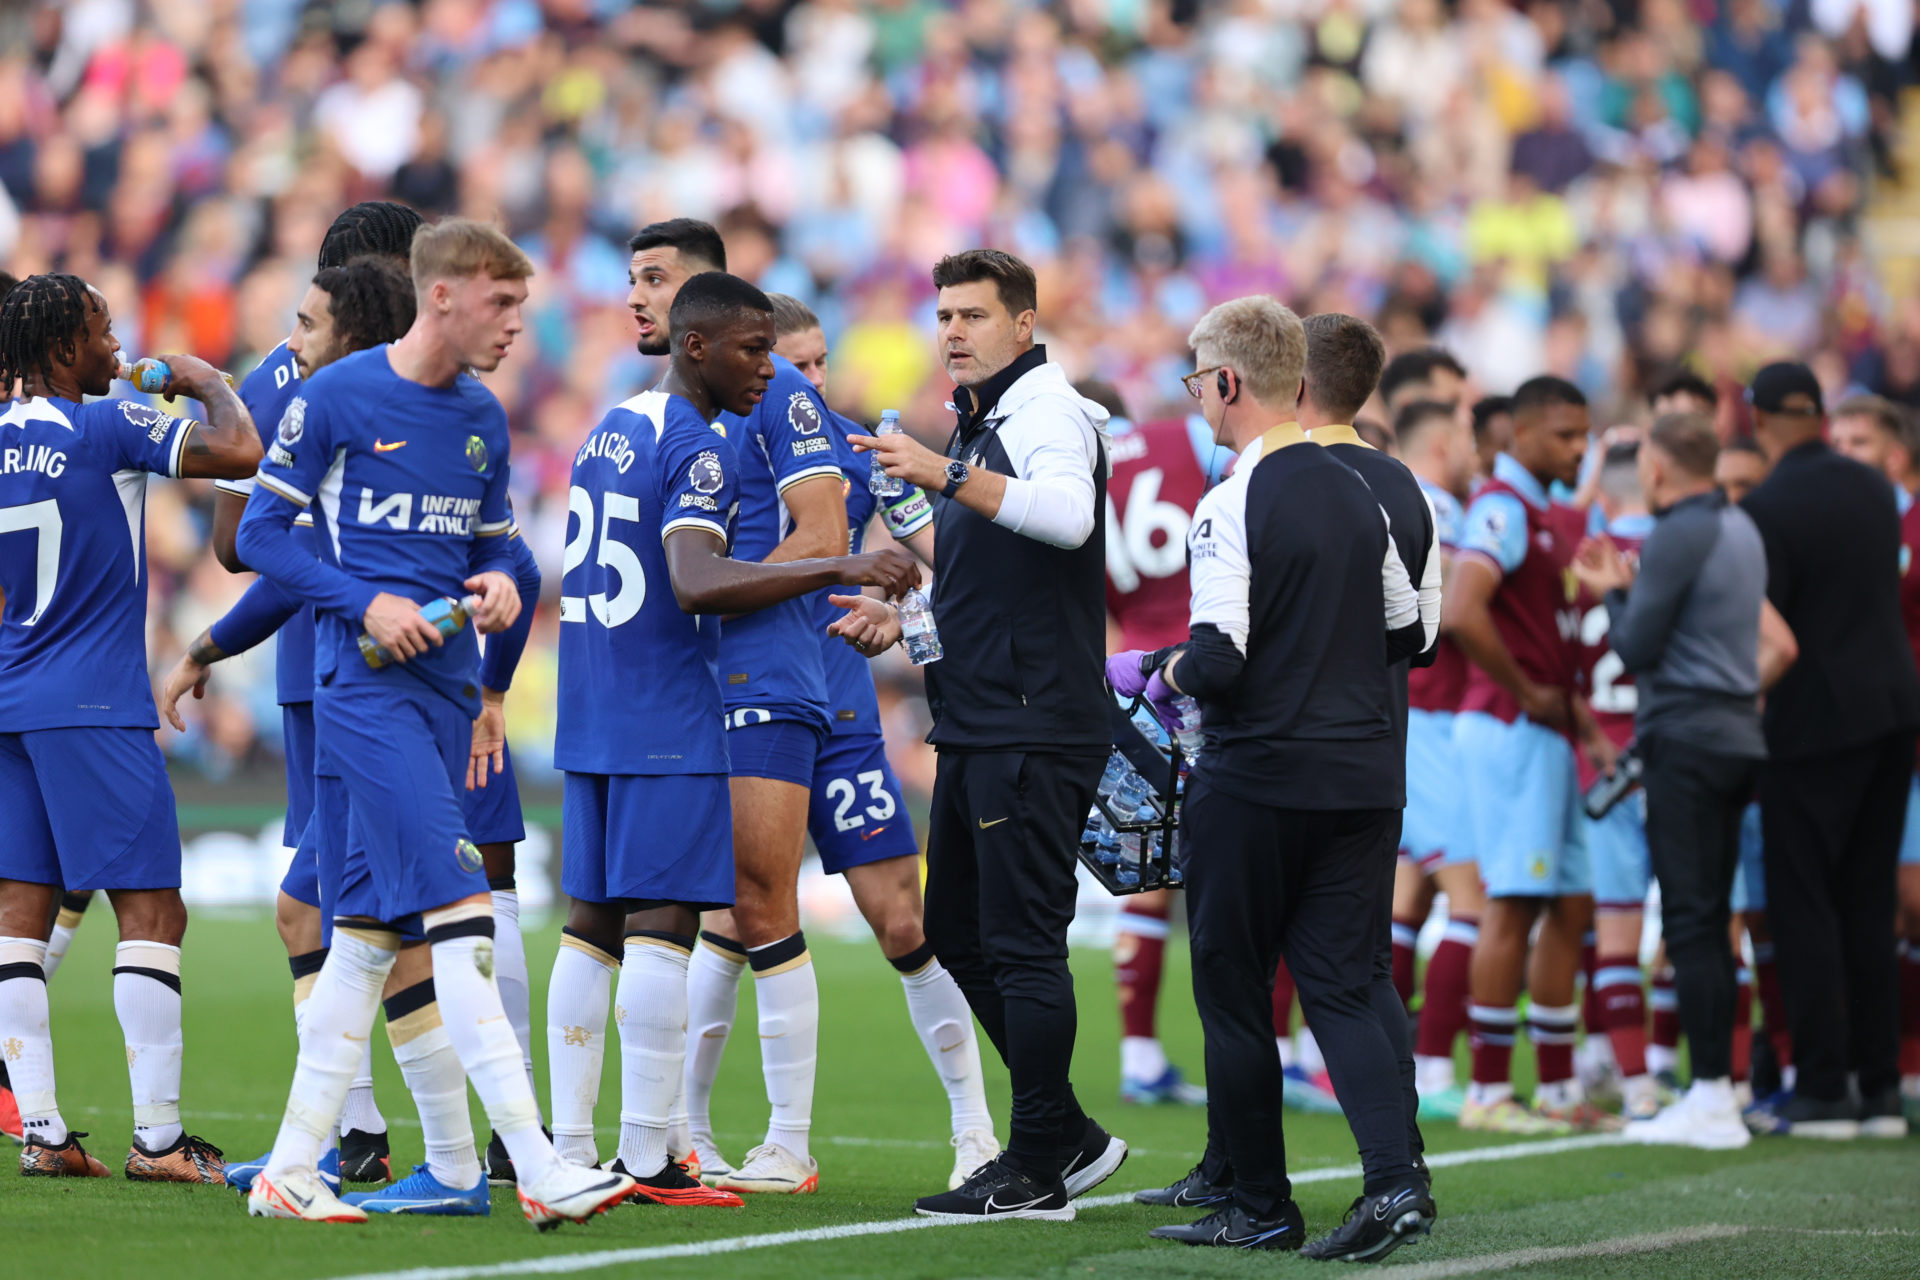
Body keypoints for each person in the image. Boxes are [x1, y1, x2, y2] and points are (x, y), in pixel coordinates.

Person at [236, 218, 634, 1226]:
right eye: (503, 303)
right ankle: (539, 1164)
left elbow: (499, 549)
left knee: (366, 933)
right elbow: (258, 534)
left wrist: (500, 589)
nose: (517, 325)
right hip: (363, 695)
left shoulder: (482, 418)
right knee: (460, 911)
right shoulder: (335, 397)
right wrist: (361, 600)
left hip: (447, 697)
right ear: (443, 295)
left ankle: (291, 1166)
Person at [544, 271, 918, 1207]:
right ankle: (649, 1156)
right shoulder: (697, 447)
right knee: (667, 924)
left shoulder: (609, 425)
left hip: (589, 703)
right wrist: (843, 561)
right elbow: (696, 583)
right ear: (699, 345)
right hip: (670, 712)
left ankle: (569, 1146)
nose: (775, 372)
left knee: (592, 925)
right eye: (756, 351)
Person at [1118, 297, 1433, 1259]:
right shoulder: (1362, 490)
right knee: (1342, 986)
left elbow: (1217, 657)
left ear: (1226, 382)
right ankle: (1393, 1183)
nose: (1197, 398)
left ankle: (1257, 1200)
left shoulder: (1230, 498)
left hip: (1259, 777)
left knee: (1233, 986)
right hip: (1361, 774)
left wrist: (1154, 670)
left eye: (1197, 379)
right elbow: (1408, 632)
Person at [828, 249, 1127, 1221]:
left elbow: (1069, 518)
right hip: (987, 716)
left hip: (1033, 721)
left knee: (1023, 941)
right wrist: (910, 626)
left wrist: (944, 473)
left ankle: (1036, 1162)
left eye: (973, 314)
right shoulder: (987, 417)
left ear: (1025, 326)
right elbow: (984, 584)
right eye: (944, 314)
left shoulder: (1045, 411)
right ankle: (1069, 1135)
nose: (952, 330)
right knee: (956, 927)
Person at [158, 251, 436, 1196]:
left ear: (358, 328)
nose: (290, 344)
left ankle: (452, 1152)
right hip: (351, 691)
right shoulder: (413, 418)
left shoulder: (366, 424)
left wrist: (206, 645)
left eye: (308, 323)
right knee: (354, 916)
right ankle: (356, 1143)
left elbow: (265, 550)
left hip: (377, 702)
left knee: (393, 922)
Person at [0, 273, 260, 1181]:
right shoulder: (106, 423)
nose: (118, 350)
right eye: (105, 334)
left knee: (15, 919)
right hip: (92, 699)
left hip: (9, 700)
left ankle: (43, 1132)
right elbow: (240, 451)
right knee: (153, 911)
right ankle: (157, 1143)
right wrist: (203, 380)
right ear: (66, 348)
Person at [617, 221, 847, 1196]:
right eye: (631, 279)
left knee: (758, 899)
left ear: (705, 300)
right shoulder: (652, 408)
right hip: (682, 682)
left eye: (657, 280)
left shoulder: (778, 389)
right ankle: (681, 1130)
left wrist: (720, 588)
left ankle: (789, 1138)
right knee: (682, 901)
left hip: (760, 667)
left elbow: (826, 525)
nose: (637, 297)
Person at [766, 294, 1000, 1184]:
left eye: (824, 363)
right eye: (798, 365)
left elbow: (940, 566)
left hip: (839, 709)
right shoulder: (712, 451)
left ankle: (975, 1132)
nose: (818, 384)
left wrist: (898, 612)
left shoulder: (862, 453)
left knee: (904, 918)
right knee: (729, 918)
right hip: (747, 707)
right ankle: (731, 1139)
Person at [1570, 412, 1773, 1149]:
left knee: (1690, 921)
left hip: (1684, 737)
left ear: (1657, 469)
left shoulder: (1681, 532)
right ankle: (1718, 1088)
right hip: (1734, 735)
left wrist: (1614, 590)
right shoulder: (1739, 527)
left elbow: (1637, 645)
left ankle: (1713, 1097)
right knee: (1710, 920)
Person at [1741, 362, 1920, 1138]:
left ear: (1757, 421)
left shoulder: (1769, 504)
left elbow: (1771, 630)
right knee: (1868, 901)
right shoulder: (1874, 488)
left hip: (1812, 722)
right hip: (1892, 713)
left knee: (1805, 902)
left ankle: (1822, 1087)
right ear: (1818, 413)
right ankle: (1878, 1088)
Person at [1446, 375, 1620, 1135]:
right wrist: (1521, 686)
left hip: (1547, 731)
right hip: (1510, 726)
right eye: (1563, 435)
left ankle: (1555, 1089)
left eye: (1585, 435)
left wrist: (1577, 721)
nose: (1578, 448)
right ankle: (1487, 1090)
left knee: (1573, 906)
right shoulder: (1503, 510)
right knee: (1513, 902)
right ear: (1520, 435)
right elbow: (1460, 607)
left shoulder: (1544, 514)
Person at [1298, 312, 1440, 1166]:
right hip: (1381, 748)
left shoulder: (1287, 481)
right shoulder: (1406, 484)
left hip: (1294, 757)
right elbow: (1423, 633)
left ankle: (1251, 1177)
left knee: (1267, 972)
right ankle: (1405, 1149)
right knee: (1366, 965)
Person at [1387, 398, 1488, 1119]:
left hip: (1400, 713)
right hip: (1436, 718)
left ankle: (1377, 1060)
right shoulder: (1438, 506)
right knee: (1472, 898)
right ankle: (1428, 1063)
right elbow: (1449, 609)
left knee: (1405, 900)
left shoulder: (1383, 489)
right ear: (1447, 441)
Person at [1567, 443, 1662, 1122]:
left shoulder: (1580, 557)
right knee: (1705, 926)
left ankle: (1638, 1088)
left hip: (1602, 763)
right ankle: (1728, 1084)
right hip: (1678, 753)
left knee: (1617, 929)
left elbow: (1560, 664)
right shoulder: (1687, 545)